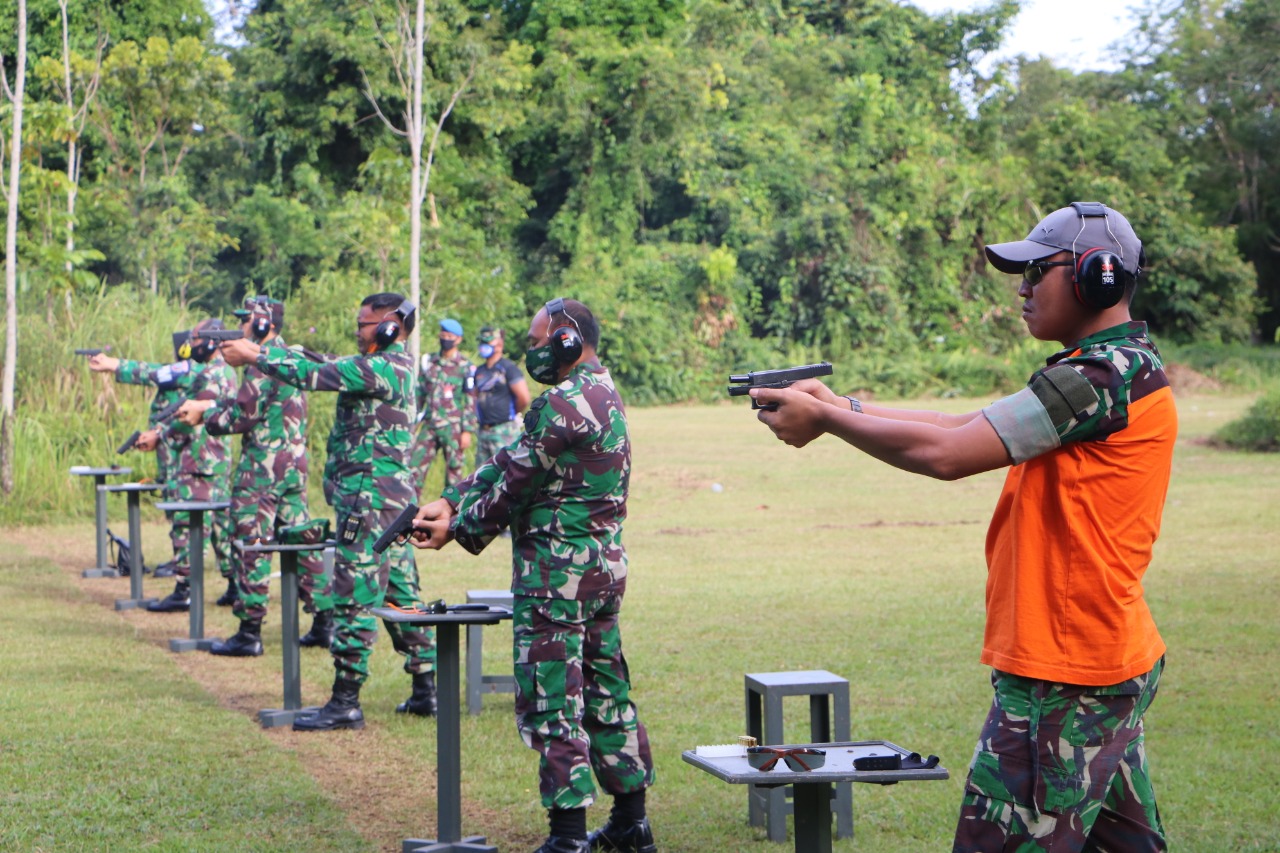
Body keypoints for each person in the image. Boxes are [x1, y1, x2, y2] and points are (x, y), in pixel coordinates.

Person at [752, 202, 1174, 853]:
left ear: (1099, 275)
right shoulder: (1111, 368)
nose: (1024, 288)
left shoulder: (1100, 376)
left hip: (1067, 674)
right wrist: (844, 406)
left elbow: (946, 456)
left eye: (1037, 271)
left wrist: (828, 422)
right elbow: (966, 427)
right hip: (1097, 661)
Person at [411, 299, 657, 853]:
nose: (533, 350)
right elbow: (507, 462)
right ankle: (631, 824)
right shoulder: (605, 393)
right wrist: (452, 500)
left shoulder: (561, 404)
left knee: (552, 699)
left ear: (568, 339)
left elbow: (515, 481)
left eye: (539, 338)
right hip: (602, 571)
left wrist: (459, 528)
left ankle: (568, 838)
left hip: (556, 577)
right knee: (606, 690)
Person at [219, 293, 438, 730]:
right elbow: (325, 361)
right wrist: (279, 352)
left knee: (354, 592)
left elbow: (318, 373)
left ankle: (345, 700)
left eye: (364, 324)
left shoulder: (383, 367)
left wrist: (257, 355)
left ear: (390, 325)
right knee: (400, 590)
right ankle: (427, 688)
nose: (357, 331)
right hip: (387, 498)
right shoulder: (392, 366)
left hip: (370, 499)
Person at [177, 297, 335, 657]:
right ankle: (325, 620)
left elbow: (243, 415)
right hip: (293, 467)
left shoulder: (261, 363)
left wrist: (205, 416)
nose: (242, 328)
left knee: (252, 544)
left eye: (246, 321)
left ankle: (249, 631)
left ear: (263, 324)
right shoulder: (288, 356)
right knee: (303, 542)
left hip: (263, 471)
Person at [138, 319, 238, 613]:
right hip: (215, 461)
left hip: (198, 459)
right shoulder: (226, 371)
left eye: (195, 339)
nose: (190, 345)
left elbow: (189, 420)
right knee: (220, 526)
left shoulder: (209, 374)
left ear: (210, 340)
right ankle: (236, 586)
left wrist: (161, 435)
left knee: (186, 523)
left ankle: (184, 589)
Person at [88, 332, 196, 579]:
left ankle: (187, 564)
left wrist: (113, 364)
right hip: (171, 446)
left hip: (185, 451)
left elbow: (155, 373)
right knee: (175, 503)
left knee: (184, 505)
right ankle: (183, 560)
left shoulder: (193, 370)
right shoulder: (189, 371)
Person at [409, 317, 477, 493]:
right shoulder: (429, 362)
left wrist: (467, 431)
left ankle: (451, 514)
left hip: (452, 427)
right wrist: (413, 422)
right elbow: (419, 393)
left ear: (458, 340)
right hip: (429, 424)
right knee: (414, 468)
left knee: (454, 473)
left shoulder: (465, 366)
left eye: (449, 335)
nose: (445, 338)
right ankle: (408, 513)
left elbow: (470, 399)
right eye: (443, 334)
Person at [472, 325, 531, 468]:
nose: (483, 345)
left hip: (504, 430)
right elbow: (475, 397)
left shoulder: (509, 369)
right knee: (481, 477)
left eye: (488, 342)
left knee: (505, 473)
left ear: (499, 344)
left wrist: (509, 415)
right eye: (482, 342)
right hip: (483, 431)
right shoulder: (479, 371)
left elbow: (524, 398)